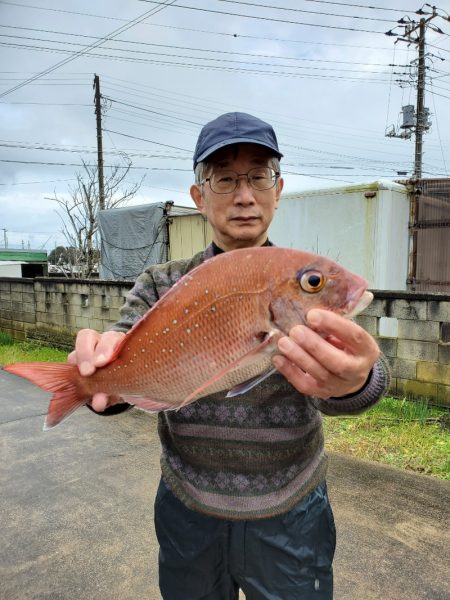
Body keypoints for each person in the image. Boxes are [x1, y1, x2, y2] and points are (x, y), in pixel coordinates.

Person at [70, 112, 389, 599]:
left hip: (292, 508)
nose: (244, 195)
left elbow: (361, 371)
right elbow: (121, 359)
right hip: (187, 507)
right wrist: (99, 380)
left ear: (278, 190)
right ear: (199, 196)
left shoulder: (301, 284)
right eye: (224, 179)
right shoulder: (160, 283)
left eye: (259, 177)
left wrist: (358, 380)